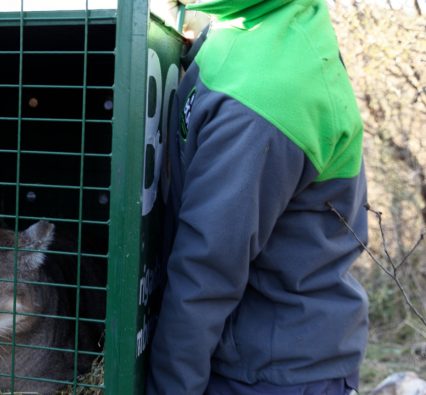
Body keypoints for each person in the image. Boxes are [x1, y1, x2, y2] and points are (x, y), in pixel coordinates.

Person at [147, 0, 369, 394]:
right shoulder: (258, 19)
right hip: (261, 350)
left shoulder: (260, 105)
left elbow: (207, 273)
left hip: (267, 374)